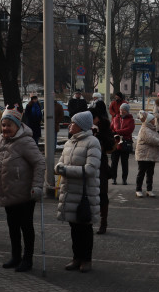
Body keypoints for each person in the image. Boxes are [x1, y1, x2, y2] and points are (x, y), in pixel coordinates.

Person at [0, 108, 45, 272]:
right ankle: (15, 256)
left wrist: (37, 186)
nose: (5, 129)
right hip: (7, 192)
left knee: (26, 227)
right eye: (3, 125)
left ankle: (27, 259)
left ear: (17, 126)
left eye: (9, 125)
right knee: (12, 227)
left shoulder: (26, 142)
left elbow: (39, 163)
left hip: (25, 194)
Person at [54, 111, 102, 272]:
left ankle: (86, 260)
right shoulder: (69, 143)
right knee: (74, 228)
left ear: (81, 126)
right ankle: (76, 258)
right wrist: (59, 168)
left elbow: (90, 169)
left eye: (73, 123)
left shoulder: (92, 142)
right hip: (69, 192)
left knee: (85, 228)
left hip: (84, 194)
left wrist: (65, 170)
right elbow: (59, 164)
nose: (70, 125)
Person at [91, 104, 114, 235]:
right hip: (86, 164)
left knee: (102, 194)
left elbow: (110, 144)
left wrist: (98, 135)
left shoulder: (104, 126)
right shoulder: (84, 126)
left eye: (94, 118)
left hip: (101, 164)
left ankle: (103, 222)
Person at [133, 111, 159, 198]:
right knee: (141, 172)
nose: (155, 120)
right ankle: (138, 190)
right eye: (153, 119)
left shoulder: (152, 129)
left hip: (151, 155)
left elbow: (156, 138)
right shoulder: (144, 129)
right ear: (149, 120)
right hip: (143, 155)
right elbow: (151, 140)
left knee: (150, 173)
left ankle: (149, 189)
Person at [110, 103, 135, 186]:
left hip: (125, 143)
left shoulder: (130, 120)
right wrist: (112, 133)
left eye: (123, 110)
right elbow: (111, 128)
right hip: (116, 143)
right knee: (114, 162)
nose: (121, 111)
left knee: (124, 162)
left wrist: (117, 132)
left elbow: (129, 130)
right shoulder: (115, 118)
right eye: (121, 109)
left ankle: (124, 179)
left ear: (127, 111)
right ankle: (114, 178)